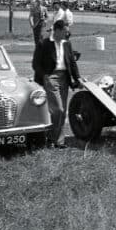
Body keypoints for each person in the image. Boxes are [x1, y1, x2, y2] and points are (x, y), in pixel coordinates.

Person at [32, 20, 81, 148]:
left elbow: (72, 63)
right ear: (57, 31)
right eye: (65, 31)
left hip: (64, 78)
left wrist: (78, 78)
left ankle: (58, 141)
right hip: (50, 77)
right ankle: (50, 137)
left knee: (63, 110)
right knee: (57, 109)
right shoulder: (44, 43)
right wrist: (45, 76)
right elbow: (35, 64)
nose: (68, 33)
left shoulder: (67, 44)